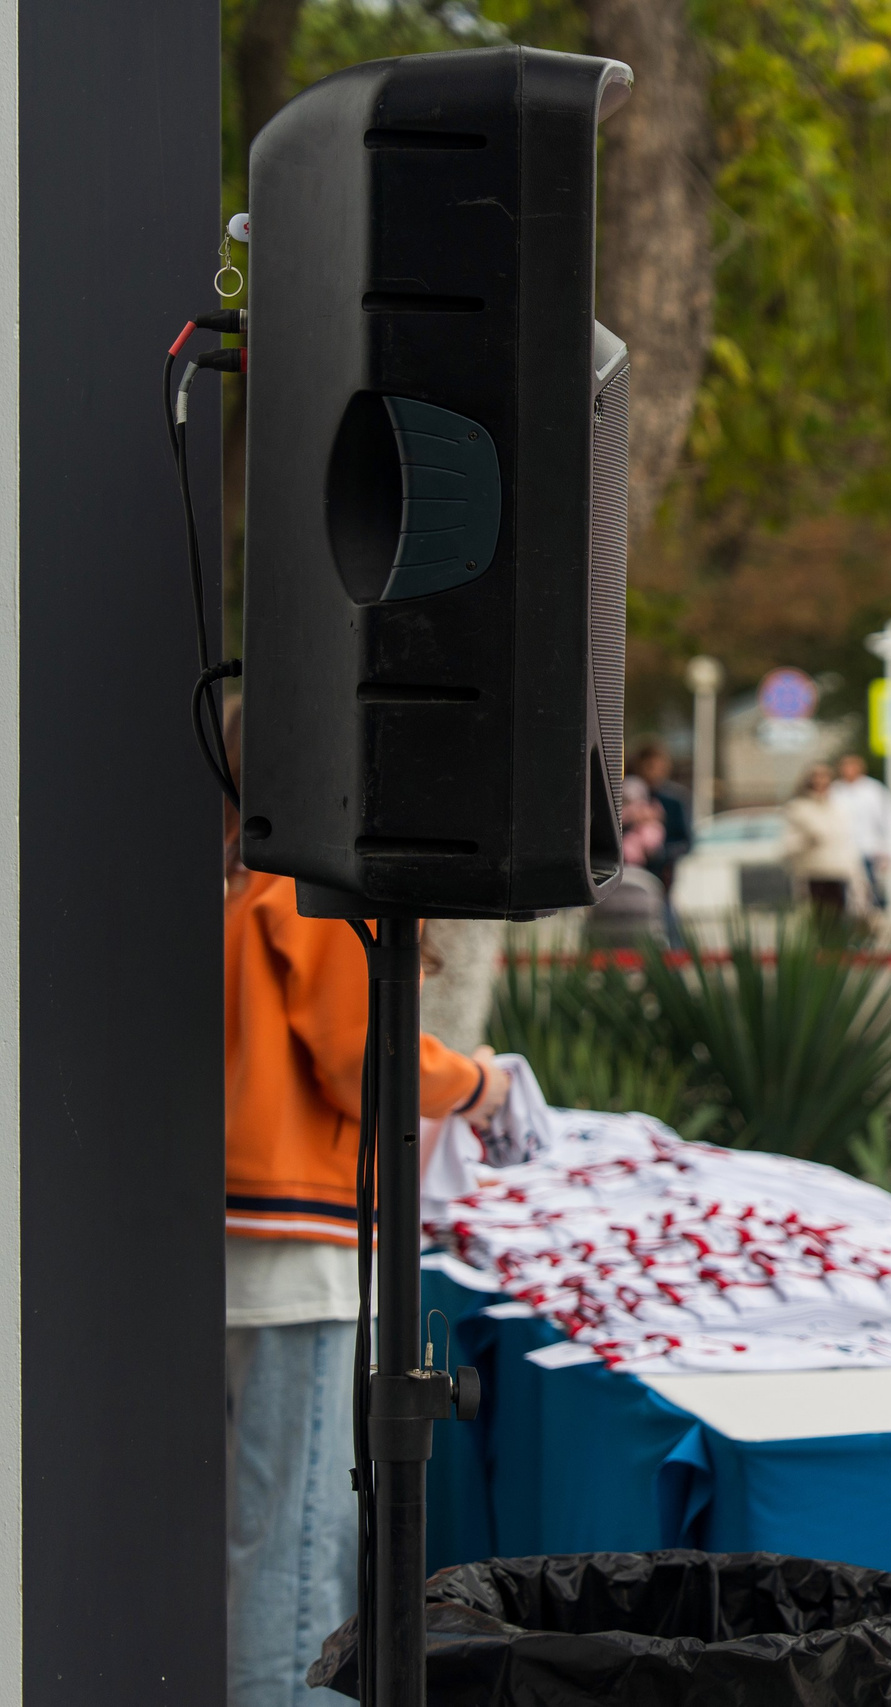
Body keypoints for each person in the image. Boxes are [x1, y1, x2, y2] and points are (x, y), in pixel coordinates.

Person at [222, 706, 512, 1707]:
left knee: (265, 1527)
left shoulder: (232, 878)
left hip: (249, 1233)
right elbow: (362, 1057)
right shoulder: (303, 891)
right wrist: (479, 1084)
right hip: (297, 1243)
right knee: (296, 1545)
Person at [781, 762, 863, 916]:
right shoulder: (798, 808)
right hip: (812, 872)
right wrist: (810, 839)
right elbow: (789, 843)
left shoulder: (838, 806)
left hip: (838, 871)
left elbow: (845, 839)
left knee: (838, 916)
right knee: (816, 916)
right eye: (816, 778)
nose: (821, 782)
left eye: (824, 778)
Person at [831, 750, 891, 910]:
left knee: (867, 894)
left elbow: (889, 821)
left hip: (867, 850)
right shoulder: (834, 791)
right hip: (840, 852)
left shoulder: (874, 791)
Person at [632, 741, 694, 893]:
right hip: (631, 873)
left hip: (662, 877)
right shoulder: (629, 795)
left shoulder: (674, 800)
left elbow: (685, 842)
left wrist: (660, 853)